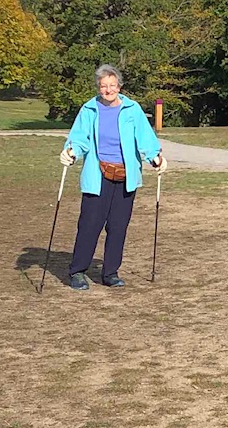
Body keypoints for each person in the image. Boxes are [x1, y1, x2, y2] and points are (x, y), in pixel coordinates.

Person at [60, 63, 164, 289]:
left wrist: (154, 157)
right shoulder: (89, 109)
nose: (108, 90)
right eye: (103, 86)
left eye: (112, 85)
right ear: (98, 87)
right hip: (98, 175)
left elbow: (145, 137)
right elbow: (79, 138)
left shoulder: (132, 109)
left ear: (119, 86)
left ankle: (110, 273)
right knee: (90, 224)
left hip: (126, 176)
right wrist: (71, 152)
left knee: (118, 226)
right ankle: (77, 271)